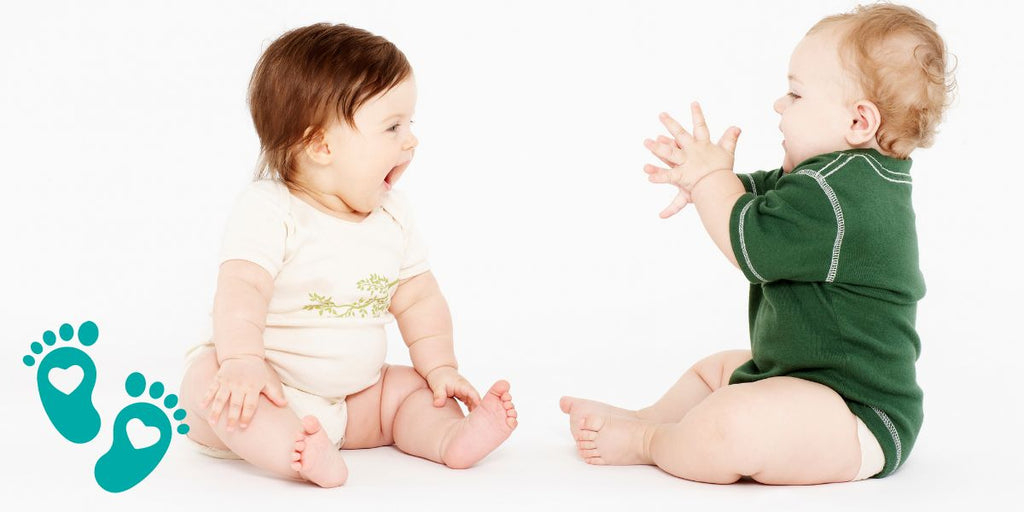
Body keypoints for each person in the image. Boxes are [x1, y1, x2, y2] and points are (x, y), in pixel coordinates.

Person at [560, 3, 954, 484]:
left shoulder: (837, 197)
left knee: (732, 423)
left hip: (856, 416)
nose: (779, 105)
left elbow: (754, 244)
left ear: (858, 122)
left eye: (795, 94)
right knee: (716, 372)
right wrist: (706, 182)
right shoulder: (839, 181)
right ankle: (648, 416)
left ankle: (650, 441)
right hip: (803, 383)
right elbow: (759, 196)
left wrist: (711, 181)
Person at [180, 23, 517, 488]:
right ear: (320, 145)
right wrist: (241, 360)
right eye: (393, 127)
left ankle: (448, 439)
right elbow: (243, 288)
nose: (411, 140)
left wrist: (440, 367)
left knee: (408, 392)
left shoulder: (393, 216)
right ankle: (295, 454)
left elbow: (419, 299)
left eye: (411, 124)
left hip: (357, 399)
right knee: (207, 382)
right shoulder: (271, 209)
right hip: (267, 387)